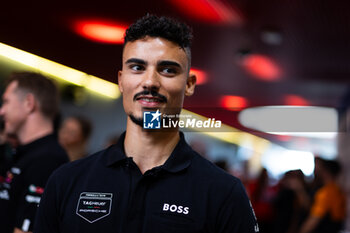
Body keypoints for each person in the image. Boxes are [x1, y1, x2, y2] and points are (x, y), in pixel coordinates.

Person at [34, 15, 259, 233]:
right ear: (121, 80)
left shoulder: (223, 193)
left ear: (189, 84)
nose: (150, 82)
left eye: (168, 70)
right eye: (137, 67)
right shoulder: (67, 181)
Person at [0, 72, 69, 233]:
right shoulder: (24, 154)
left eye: (6, 102)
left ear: (29, 103)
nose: (2, 111)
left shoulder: (48, 159)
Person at [300, 158, 346, 233]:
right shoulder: (338, 190)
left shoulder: (326, 193)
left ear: (325, 172)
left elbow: (313, 220)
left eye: (319, 169)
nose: (315, 172)